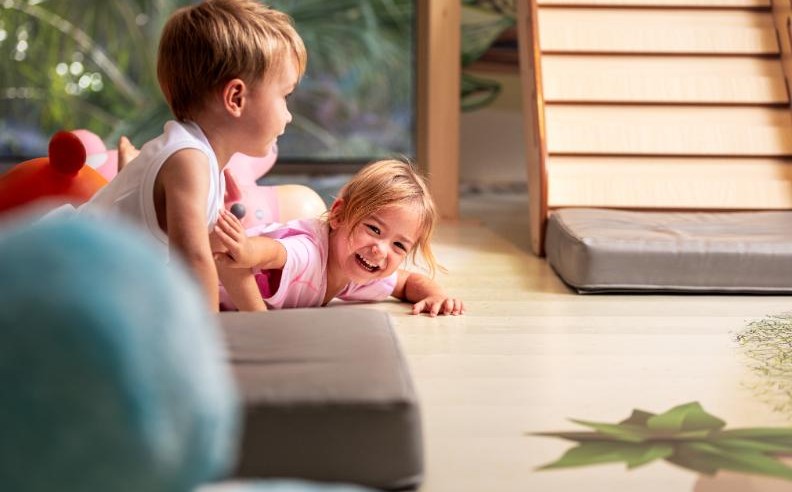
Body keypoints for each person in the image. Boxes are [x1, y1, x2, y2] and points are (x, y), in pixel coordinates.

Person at [80, 0, 307, 312]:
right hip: (62, 273)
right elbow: (194, 261)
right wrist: (205, 349)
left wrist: (264, 323)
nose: (289, 115)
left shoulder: (201, 161)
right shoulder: (188, 161)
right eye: (285, 96)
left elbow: (221, 256)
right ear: (236, 98)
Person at [212, 159, 465, 316]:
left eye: (399, 245)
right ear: (338, 216)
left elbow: (406, 282)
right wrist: (246, 251)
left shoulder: (359, 274)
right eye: (374, 229)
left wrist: (436, 295)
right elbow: (273, 250)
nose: (380, 250)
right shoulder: (310, 252)